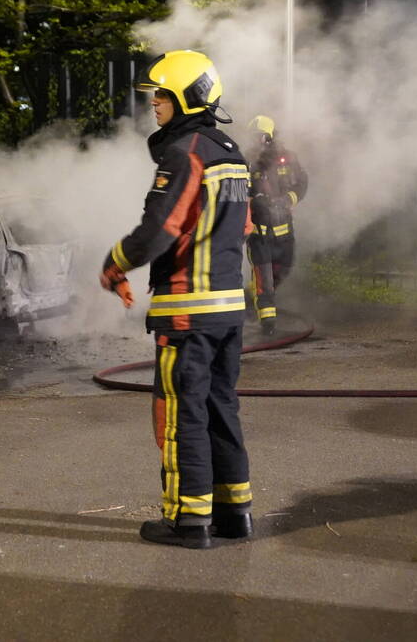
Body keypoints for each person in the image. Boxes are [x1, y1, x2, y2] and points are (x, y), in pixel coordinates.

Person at [99, 50, 253, 549]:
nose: (154, 104)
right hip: (229, 309)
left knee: (181, 414)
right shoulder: (231, 152)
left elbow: (159, 229)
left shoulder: (186, 150)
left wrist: (115, 262)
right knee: (220, 408)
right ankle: (235, 514)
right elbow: (243, 228)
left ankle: (187, 522)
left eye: (161, 95)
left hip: (187, 311)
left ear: (187, 96)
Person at [244, 115, 308, 336]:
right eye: (253, 137)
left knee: (285, 267)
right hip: (258, 232)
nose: (256, 142)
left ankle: (254, 298)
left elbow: (302, 182)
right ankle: (267, 324)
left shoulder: (288, 158)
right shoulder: (247, 161)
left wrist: (288, 199)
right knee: (264, 279)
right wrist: (255, 200)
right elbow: (238, 190)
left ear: (270, 137)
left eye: (259, 137)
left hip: (284, 230)